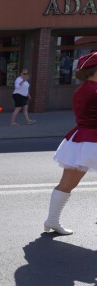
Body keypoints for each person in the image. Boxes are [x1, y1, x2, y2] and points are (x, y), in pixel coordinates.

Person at [44, 51, 97, 235]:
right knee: (67, 184)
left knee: (66, 184)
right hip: (93, 140)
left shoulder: (82, 89)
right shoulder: (95, 90)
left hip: (79, 140)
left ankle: (52, 220)